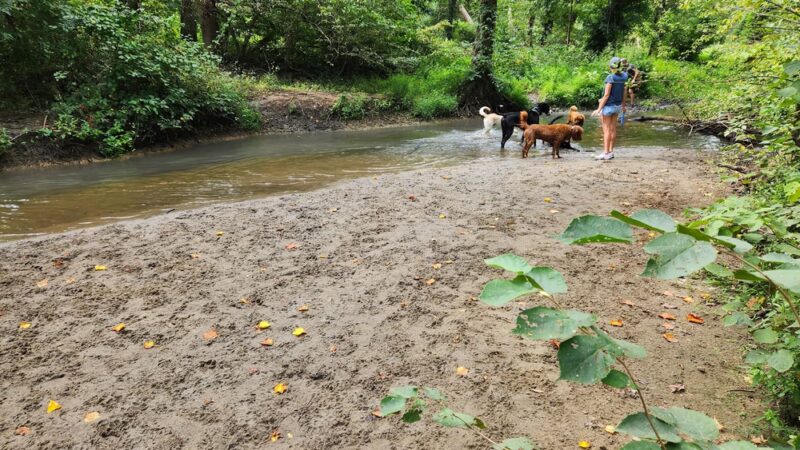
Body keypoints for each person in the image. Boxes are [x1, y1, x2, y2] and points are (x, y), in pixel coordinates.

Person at [591, 56, 628, 161]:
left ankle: (606, 153)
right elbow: (624, 92)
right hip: (617, 106)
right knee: (613, 129)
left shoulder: (610, 78)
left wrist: (598, 109)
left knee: (606, 130)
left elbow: (606, 95)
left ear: (611, 66)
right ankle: (611, 152)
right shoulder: (624, 77)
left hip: (608, 107)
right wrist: (624, 106)